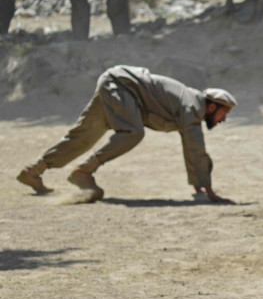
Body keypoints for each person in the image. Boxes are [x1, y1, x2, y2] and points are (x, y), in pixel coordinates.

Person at [16, 65, 237, 204]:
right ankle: (84, 171)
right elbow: (196, 149)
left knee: (83, 136)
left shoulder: (190, 105)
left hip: (117, 84)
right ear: (211, 107)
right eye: (223, 114)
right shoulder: (191, 107)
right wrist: (209, 191)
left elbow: (190, 147)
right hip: (121, 85)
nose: (223, 120)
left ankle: (33, 171)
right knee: (132, 132)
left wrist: (198, 185)